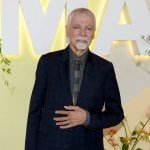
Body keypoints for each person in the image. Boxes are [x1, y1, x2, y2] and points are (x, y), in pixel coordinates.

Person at [25, 8, 124, 150]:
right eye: (77, 27)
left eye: (88, 28)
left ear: (94, 33)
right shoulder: (48, 62)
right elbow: (34, 113)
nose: (83, 33)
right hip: (49, 145)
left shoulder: (105, 68)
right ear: (67, 30)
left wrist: (87, 118)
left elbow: (116, 114)